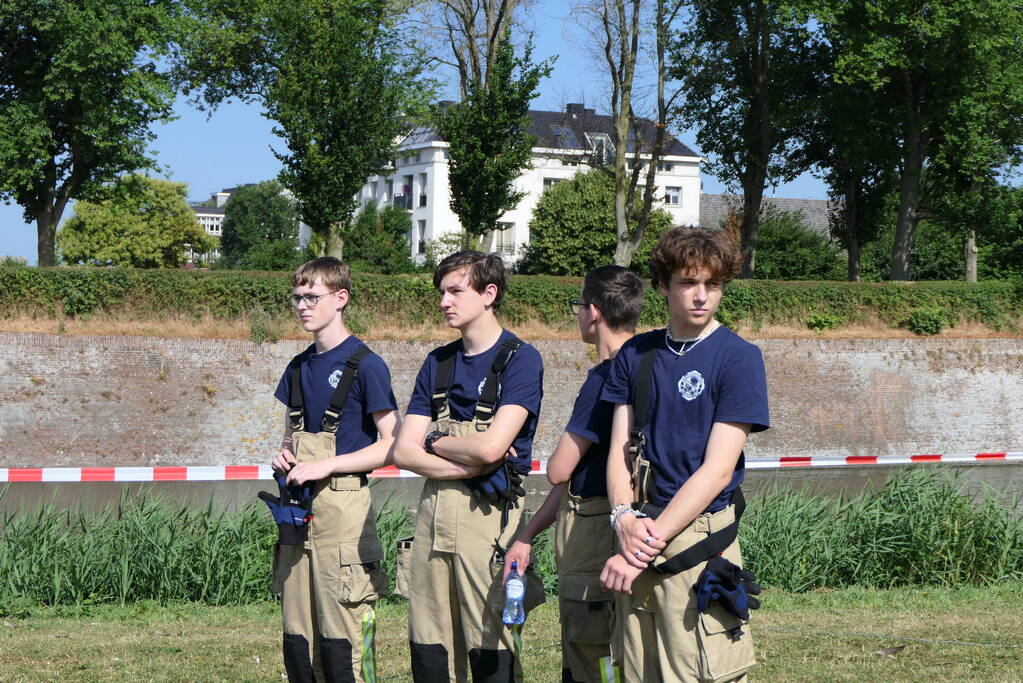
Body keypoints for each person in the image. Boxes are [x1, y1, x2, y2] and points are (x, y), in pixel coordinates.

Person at [599, 228, 769, 683]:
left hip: (694, 538)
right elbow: (619, 449)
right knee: (635, 672)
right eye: (688, 283)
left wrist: (641, 548)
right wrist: (622, 518)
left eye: (712, 284)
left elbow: (717, 472)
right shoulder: (636, 353)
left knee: (694, 672)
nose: (701, 296)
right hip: (635, 530)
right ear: (662, 285)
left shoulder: (739, 357)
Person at [394, 249, 545, 683]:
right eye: (442, 292)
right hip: (432, 518)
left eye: (455, 291)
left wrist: (434, 441)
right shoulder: (437, 362)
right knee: (429, 646)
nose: (444, 301)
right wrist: (466, 465)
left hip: (489, 524)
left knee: (489, 646)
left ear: (488, 293)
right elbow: (402, 451)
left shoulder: (521, 359)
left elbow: (492, 447)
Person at [502, 265, 644, 683]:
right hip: (634, 524)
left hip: (595, 530)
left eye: (578, 306)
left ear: (594, 312)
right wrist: (528, 535)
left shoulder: (605, 378)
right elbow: (574, 479)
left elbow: (560, 469)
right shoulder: (649, 365)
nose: (578, 315)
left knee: (589, 649)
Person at [270, 257, 401, 683]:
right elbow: (289, 436)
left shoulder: (367, 365)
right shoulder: (297, 366)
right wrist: (284, 456)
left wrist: (324, 466)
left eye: (312, 297)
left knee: (343, 647)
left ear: (341, 298)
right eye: (297, 297)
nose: (302, 306)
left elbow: (393, 445)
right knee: (298, 642)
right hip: (297, 515)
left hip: (344, 513)